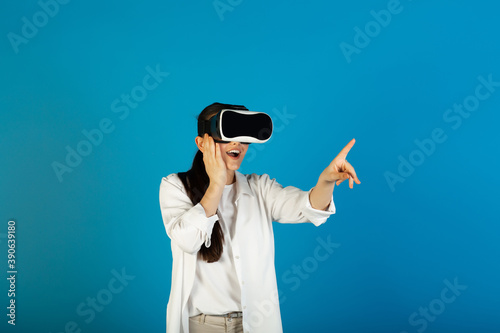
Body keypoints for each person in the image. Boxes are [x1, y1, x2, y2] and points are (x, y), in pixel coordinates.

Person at [159, 102, 361, 333]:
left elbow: (308, 207)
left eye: (243, 137)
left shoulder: (259, 188)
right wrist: (216, 183)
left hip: (255, 324)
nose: (237, 144)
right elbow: (187, 240)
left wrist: (325, 181)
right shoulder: (175, 186)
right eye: (227, 134)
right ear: (202, 143)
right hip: (204, 326)